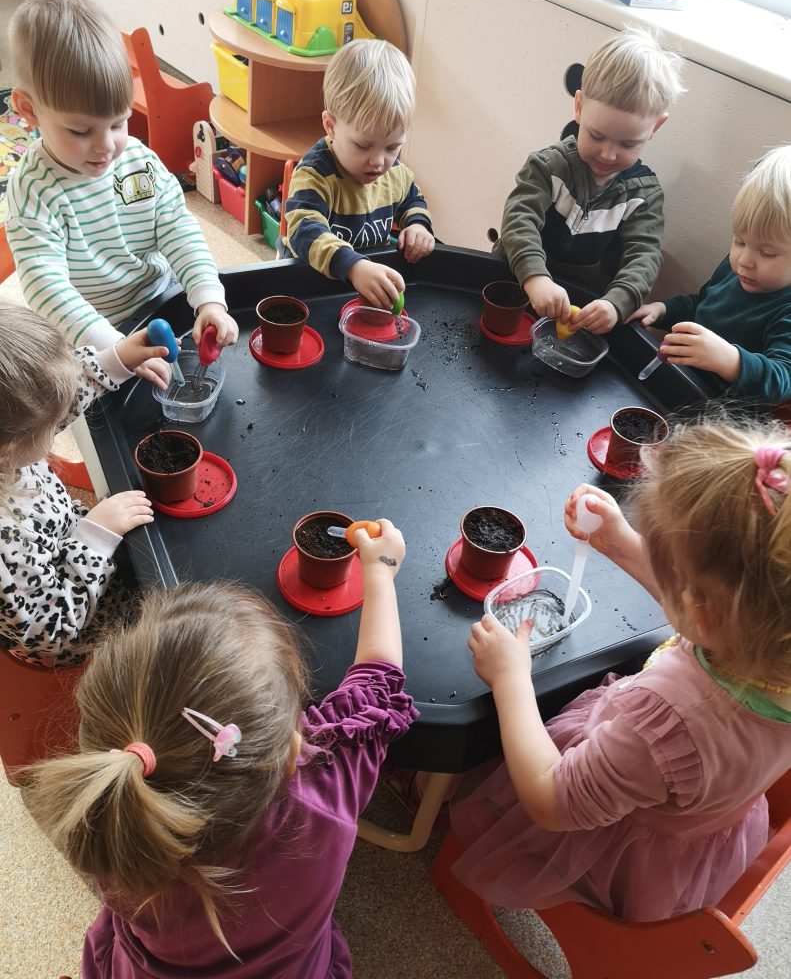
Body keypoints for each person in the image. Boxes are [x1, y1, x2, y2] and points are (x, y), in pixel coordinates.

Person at [22, 520, 417, 977]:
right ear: (295, 752)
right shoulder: (327, 789)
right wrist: (380, 570)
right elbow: (379, 679)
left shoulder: (114, 820)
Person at [451, 417, 791, 921]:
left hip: (606, 833)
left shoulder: (670, 722)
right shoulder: (766, 643)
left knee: (485, 757)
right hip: (698, 809)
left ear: (704, 610)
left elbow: (551, 799)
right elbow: (703, 616)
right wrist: (619, 541)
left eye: (669, 566)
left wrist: (510, 679)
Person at [6, 0, 238, 390]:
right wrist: (113, 348)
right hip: (88, 335)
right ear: (29, 111)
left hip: (159, 301)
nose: (106, 146)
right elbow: (47, 288)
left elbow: (177, 228)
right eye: (81, 131)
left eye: (118, 123)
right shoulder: (33, 191)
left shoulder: (137, 159)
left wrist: (208, 297)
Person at [0, 304, 168, 664]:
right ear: (10, 448)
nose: (60, 420)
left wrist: (116, 360)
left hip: (67, 543)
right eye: (54, 423)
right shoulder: (5, 544)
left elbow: (47, 399)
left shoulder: (11, 438)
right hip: (81, 621)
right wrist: (95, 536)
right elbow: (51, 629)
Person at [494, 27, 685, 334]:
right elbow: (519, 220)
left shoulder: (643, 196)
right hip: (514, 284)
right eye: (596, 136)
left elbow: (644, 257)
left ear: (655, 128)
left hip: (581, 310)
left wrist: (616, 303)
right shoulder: (548, 166)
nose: (608, 154)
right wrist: (535, 278)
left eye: (628, 144)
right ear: (579, 107)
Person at [628, 146, 791, 404]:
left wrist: (730, 360)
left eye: (767, 253)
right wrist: (662, 310)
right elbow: (702, 305)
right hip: (681, 380)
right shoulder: (738, 269)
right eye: (739, 241)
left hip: (722, 412)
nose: (744, 260)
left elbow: (781, 381)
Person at [284, 39, 434, 310]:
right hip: (310, 285)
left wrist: (418, 226)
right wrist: (353, 266)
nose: (379, 161)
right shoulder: (314, 175)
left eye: (392, 147)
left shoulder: (394, 173)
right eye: (363, 146)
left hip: (365, 285)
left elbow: (413, 200)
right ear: (330, 126)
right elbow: (304, 231)